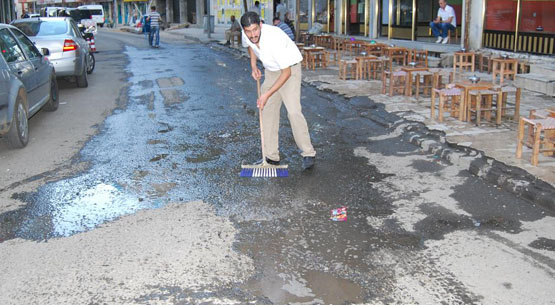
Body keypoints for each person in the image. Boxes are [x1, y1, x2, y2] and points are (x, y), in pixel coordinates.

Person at [240, 12, 316, 169]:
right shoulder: (246, 34)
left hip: (290, 70)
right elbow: (250, 47)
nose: (252, 34)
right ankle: (271, 156)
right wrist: (253, 66)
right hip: (271, 71)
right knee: (266, 110)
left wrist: (266, 94)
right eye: (248, 31)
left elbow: (286, 73)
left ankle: (308, 153)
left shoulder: (274, 38)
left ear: (260, 25)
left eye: (255, 30)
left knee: (293, 111)